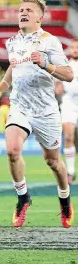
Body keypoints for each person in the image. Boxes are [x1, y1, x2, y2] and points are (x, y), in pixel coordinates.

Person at [0, 0, 74, 228]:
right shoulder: (12, 42)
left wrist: (46, 65)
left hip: (46, 111)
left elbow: (69, 74)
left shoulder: (50, 41)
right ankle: (23, 197)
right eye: (20, 10)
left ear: (40, 17)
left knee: (53, 162)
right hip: (20, 106)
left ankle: (64, 198)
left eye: (28, 10)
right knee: (13, 150)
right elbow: (12, 69)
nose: (22, 13)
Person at [56, 39, 78, 184]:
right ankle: (70, 172)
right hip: (69, 103)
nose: (75, 49)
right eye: (73, 47)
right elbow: (57, 86)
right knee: (68, 136)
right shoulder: (64, 64)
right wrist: (58, 88)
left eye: (77, 47)